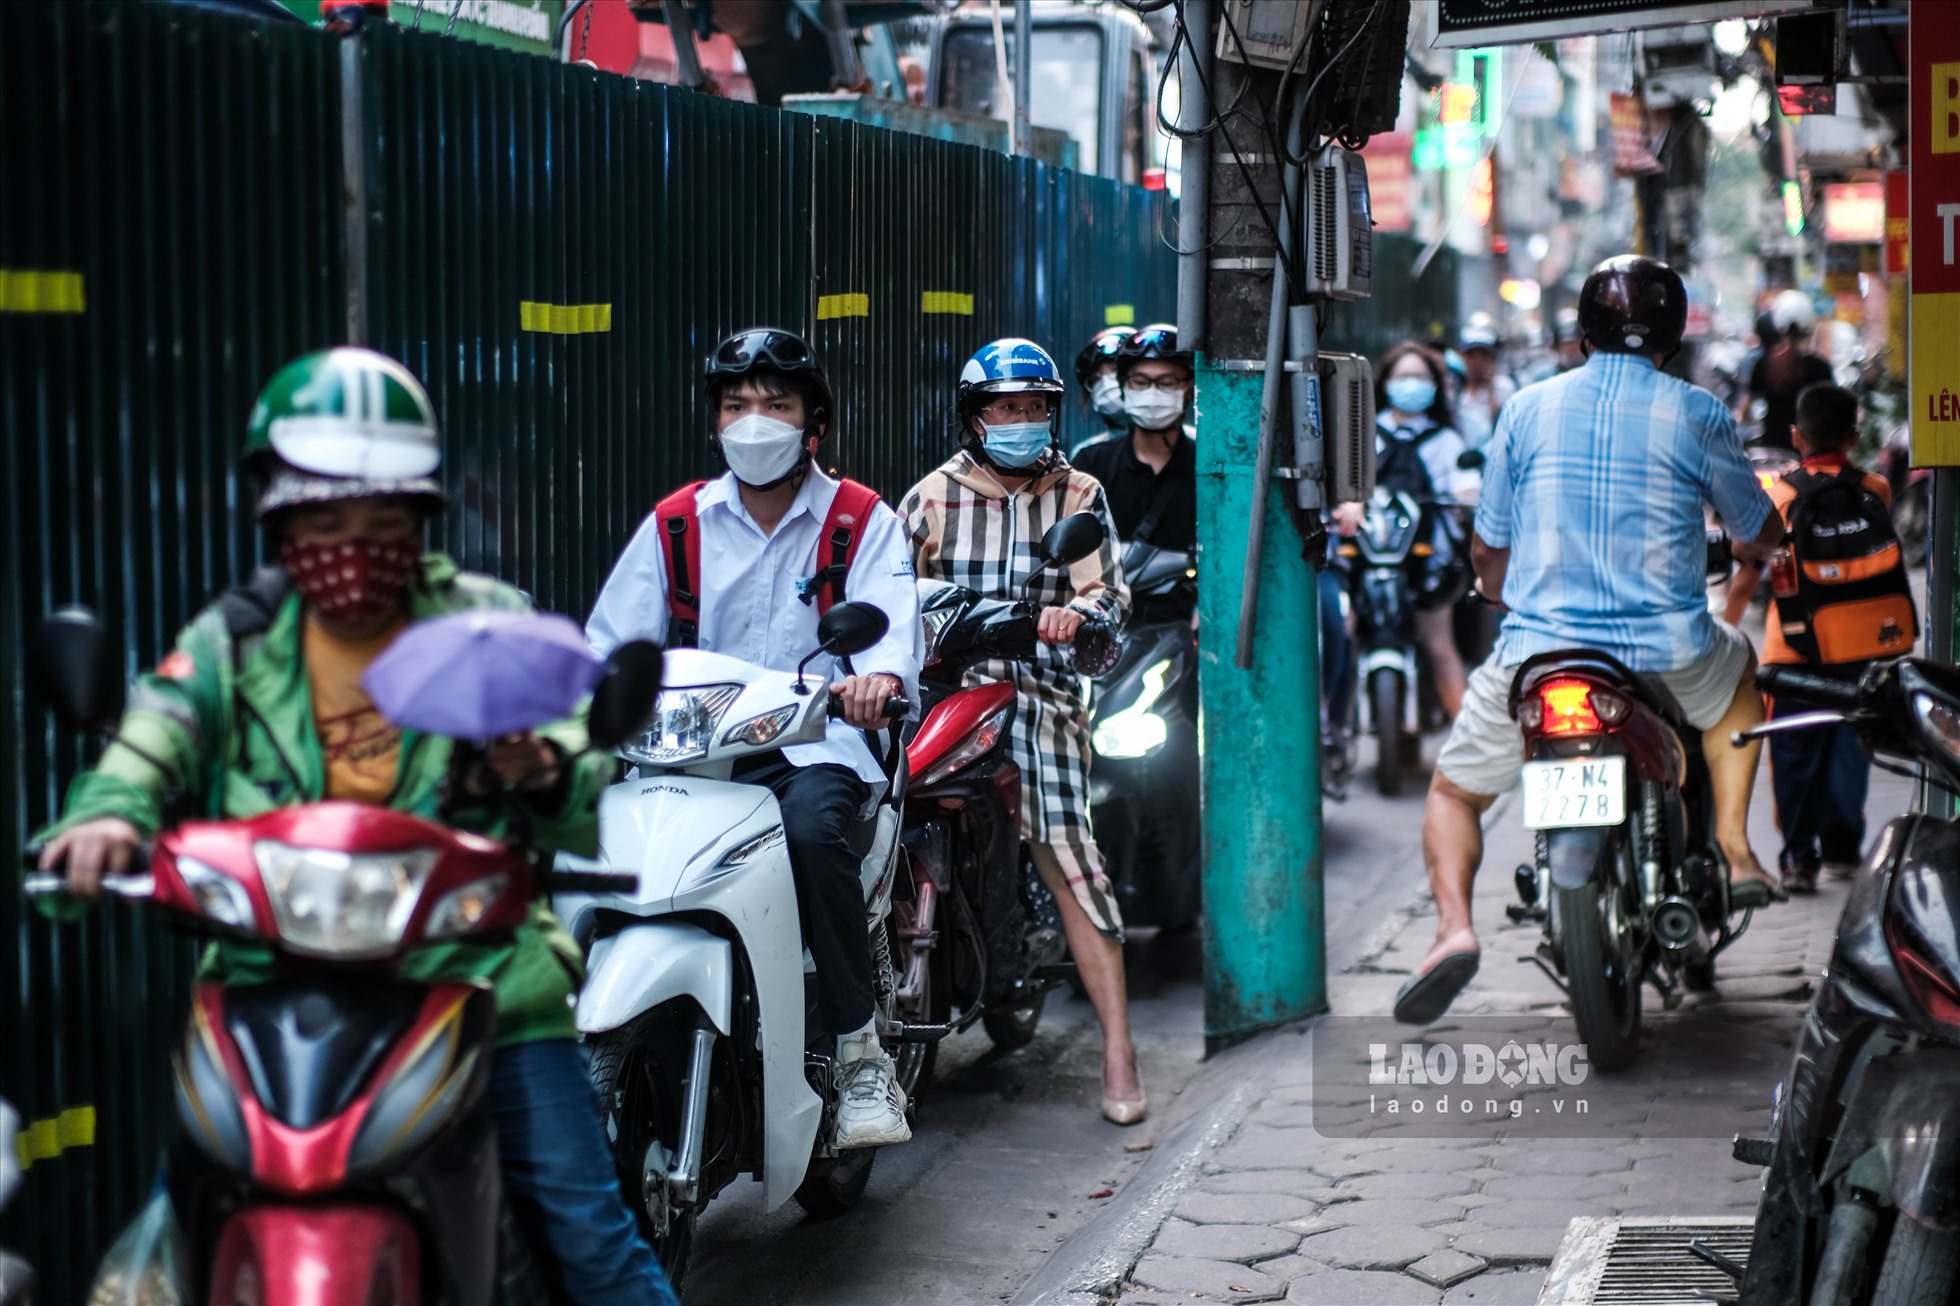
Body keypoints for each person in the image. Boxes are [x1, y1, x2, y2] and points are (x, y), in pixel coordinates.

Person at [34, 348, 679, 1305]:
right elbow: (150, 736)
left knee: (593, 1241)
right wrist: (102, 821)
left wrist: (539, 766)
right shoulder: (235, 640)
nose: (354, 546)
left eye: (384, 524)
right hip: (264, 982)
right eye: (327, 522)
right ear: (280, 520)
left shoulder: (483, 623)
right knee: (162, 1246)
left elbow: (571, 751)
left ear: (422, 520)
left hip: (480, 984)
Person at [1393, 256, 1787, 1026]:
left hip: (1540, 658)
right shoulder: (1698, 412)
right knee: (1741, 669)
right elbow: (1755, 530)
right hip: (1667, 655)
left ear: (1580, 334)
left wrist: (1501, 592)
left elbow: (1488, 549)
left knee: (1453, 792)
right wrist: (1762, 540)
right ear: (1673, 338)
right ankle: (1737, 849)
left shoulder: (1527, 410)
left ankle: (1452, 929)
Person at [586, 326, 923, 1150]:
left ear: (813, 421)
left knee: (813, 833)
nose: (754, 421)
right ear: (715, 422)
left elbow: (892, 642)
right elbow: (607, 643)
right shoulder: (677, 525)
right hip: (692, 755)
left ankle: (857, 1052)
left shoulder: (860, 520)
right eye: (736, 405)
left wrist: (875, 683)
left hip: (816, 750)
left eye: (776, 404)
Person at [896, 338, 1145, 1125]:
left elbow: (1108, 590)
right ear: (975, 417)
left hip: (1036, 692)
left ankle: (1118, 1050)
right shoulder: (929, 498)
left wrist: (1083, 615)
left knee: (1072, 856)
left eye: (1036, 408)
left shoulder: (1079, 494)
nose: (1023, 421)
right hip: (944, 691)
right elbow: (890, 594)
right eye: (1006, 408)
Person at [1725, 383, 1911, 893]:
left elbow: (1747, 568)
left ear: (1795, 435)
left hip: (1793, 650)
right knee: (1850, 746)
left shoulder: (1780, 496)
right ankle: (1844, 848)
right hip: (1865, 647)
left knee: (1792, 753)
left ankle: (1798, 858)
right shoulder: (1876, 489)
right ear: (1853, 436)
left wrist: (1728, 620)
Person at [1368, 340, 1481, 722]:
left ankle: (1471, 743)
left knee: (1440, 648)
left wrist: (1466, 495)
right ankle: (1335, 732)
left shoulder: (1446, 440)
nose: (1411, 384)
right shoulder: (1363, 432)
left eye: (1420, 377)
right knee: (1340, 635)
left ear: (1435, 386)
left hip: (1429, 559)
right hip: (1367, 556)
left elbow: (1464, 484)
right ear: (1385, 383)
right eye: (1403, 376)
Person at [1072, 323, 1196, 563]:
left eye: (1167, 382)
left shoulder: (1207, 469)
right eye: (1140, 381)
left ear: (1188, 389)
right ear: (1124, 387)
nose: (1152, 393)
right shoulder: (1090, 464)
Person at [1749, 290, 1833, 451]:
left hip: (1771, 449)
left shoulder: (1763, 363)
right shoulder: (1820, 367)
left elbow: (1749, 408)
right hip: (1809, 453)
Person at [1455, 313, 1517, 454]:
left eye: (1484, 355)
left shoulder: (1503, 387)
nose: (1477, 362)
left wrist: (1490, 388)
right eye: (1471, 355)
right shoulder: (1453, 389)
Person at [1072, 325, 1135, 451]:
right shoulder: (1087, 456)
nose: (1107, 384)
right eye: (1096, 379)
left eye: (1115, 371)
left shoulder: (1185, 444)